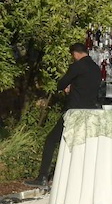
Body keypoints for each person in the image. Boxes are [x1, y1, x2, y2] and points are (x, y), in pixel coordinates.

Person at [28, 42, 103, 189]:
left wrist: (68, 87)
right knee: (79, 145)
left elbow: (61, 84)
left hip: (74, 112)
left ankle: (42, 177)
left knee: (51, 140)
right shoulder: (96, 68)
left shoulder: (77, 66)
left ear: (75, 53)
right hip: (89, 113)